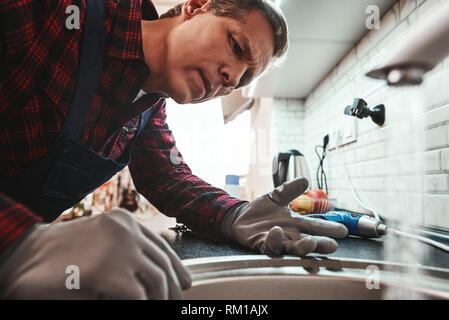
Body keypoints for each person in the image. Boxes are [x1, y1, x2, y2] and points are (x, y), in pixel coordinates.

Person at [0, 0, 348, 299]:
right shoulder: (51, 14)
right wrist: (17, 243)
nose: (231, 79)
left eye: (244, 79)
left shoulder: (147, 110)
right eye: (237, 47)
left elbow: (168, 177)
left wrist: (233, 215)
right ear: (197, 5)